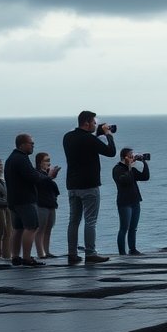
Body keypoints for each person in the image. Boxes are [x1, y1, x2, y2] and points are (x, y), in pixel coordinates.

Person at [62, 110, 116, 264]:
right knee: (90, 220)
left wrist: (97, 134)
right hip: (89, 185)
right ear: (86, 122)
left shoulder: (67, 137)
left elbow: (84, 142)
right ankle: (90, 253)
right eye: (94, 122)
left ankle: (72, 254)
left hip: (72, 185)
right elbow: (111, 152)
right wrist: (108, 134)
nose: (95, 125)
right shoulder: (89, 140)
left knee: (73, 220)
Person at [4, 133, 59, 267]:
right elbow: (33, 176)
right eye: (31, 143)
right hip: (25, 199)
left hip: (13, 199)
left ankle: (15, 257)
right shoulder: (21, 159)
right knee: (31, 227)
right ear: (22, 144)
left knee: (18, 228)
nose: (33, 146)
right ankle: (27, 258)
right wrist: (49, 177)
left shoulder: (11, 159)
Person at [112, 148, 150, 255]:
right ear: (125, 157)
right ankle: (122, 253)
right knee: (124, 228)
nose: (133, 157)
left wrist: (144, 162)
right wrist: (130, 167)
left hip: (135, 201)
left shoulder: (131, 169)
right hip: (124, 202)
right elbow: (124, 181)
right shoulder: (117, 169)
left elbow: (145, 177)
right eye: (131, 155)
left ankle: (132, 249)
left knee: (133, 228)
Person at [33, 152, 61, 259]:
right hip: (41, 204)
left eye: (49, 160)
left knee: (48, 229)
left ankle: (47, 251)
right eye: (46, 160)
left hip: (51, 204)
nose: (48, 163)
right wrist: (49, 177)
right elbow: (40, 185)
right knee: (40, 229)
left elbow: (54, 189)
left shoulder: (46, 175)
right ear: (40, 162)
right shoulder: (37, 174)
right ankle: (41, 253)